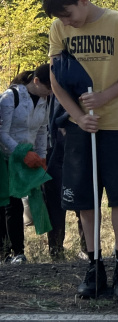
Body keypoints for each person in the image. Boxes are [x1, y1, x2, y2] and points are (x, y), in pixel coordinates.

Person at [43, 0, 118, 302]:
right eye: (60, 18)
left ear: (82, 0)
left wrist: (104, 97)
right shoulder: (59, 27)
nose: (66, 22)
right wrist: (76, 116)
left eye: (69, 13)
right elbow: (56, 79)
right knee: (85, 201)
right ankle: (95, 266)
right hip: (80, 128)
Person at [0, 64, 52, 264]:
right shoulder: (10, 97)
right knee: (9, 204)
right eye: (49, 88)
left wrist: (41, 157)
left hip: (26, 158)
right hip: (7, 157)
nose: (51, 93)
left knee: (21, 204)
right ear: (36, 81)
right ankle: (7, 252)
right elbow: (2, 133)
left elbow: (41, 131)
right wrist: (21, 154)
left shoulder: (44, 101)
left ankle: (19, 251)